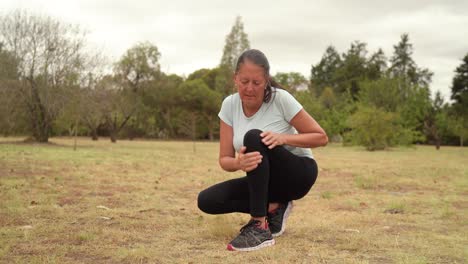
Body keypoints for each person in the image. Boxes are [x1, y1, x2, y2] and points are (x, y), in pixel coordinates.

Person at [197, 49, 328, 251]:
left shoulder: (281, 99)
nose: (249, 88)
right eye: (244, 81)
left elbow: (321, 137)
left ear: (266, 80)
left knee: (253, 136)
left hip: (299, 174)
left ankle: (259, 227)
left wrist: (283, 138)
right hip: (265, 182)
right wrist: (238, 163)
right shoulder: (229, 105)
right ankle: (274, 207)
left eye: (256, 83)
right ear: (235, 79)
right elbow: (225, 159)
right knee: (207, 200)